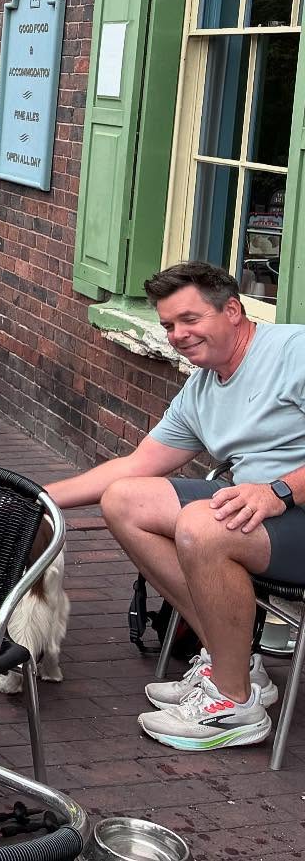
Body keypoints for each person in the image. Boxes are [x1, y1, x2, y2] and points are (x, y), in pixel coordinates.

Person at [47, 261, 305, 751]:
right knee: (125, 500)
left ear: (232, 310)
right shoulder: (203, 387)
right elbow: (136, 465)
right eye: (168, 325)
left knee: (202, 525)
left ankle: (235, 706)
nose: (178, 335)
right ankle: (235, 661)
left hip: (291, 508)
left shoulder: (293, 351)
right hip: (261, 513)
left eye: (190, 319)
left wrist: (279, 491)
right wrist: (36, 494)